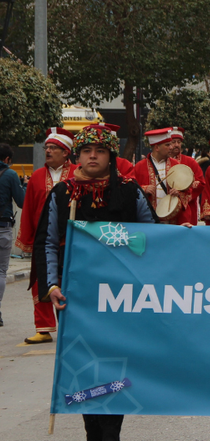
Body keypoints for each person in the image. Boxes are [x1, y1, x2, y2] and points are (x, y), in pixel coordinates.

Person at [36, 125, 158, 441]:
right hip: (76, 298)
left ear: (110, 156)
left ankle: (111, 432)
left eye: (100, 151)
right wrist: (51, 287)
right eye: (87, 151)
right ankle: (94, 431)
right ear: (78, 155)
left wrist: (183, 234)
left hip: (120, 297)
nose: (93, 156)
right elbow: (47, 243)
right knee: (86, 367)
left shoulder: (130, 192)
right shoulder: (62, 194)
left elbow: (156, 239)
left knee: (115, 366)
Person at [15, 128, 76, 343]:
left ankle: (72, 326)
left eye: (53, 148)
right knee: (41, 282)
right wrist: (27, 239)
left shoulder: (79, 173)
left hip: (71, 238)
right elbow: (29, 207)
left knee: (69, 282)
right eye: (47, 148)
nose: (48, 151)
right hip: (43, 239)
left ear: (66, 152)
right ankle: (43, 328)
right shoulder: (37, 176)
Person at [133, 128, 189, 223]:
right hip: (148, 219)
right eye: (167, 145)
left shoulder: (175, 165)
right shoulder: (139, 167)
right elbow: (131, 190)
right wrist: (143, 189)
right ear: (157, 148)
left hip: (171, 219)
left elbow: (188, 191)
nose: (171, 147)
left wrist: (178, 193)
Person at [0, 143, 25, 328]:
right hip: (2, 227)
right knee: (1, 271)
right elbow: (22, 201)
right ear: (7, 159)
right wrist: (22, 186)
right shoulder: (10, 174)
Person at [169, 126, 204, 226]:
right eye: (173, 141)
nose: (176, 145)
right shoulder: (163, 162)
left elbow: (201, 183)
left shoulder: (190, 162)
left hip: (185, 209)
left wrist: (183, 190)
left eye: (179, 142)